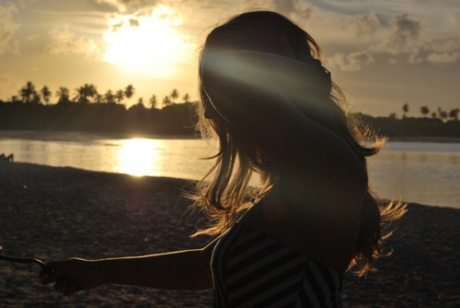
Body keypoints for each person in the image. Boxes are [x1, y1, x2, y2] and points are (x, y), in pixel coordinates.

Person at [39, 11, 406, 306]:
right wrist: (97, 271)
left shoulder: (333, 170)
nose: (216, 113)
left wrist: (296, 67)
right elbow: (202, 268)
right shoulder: (297, 186)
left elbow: (224, 80)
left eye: (219, 99)